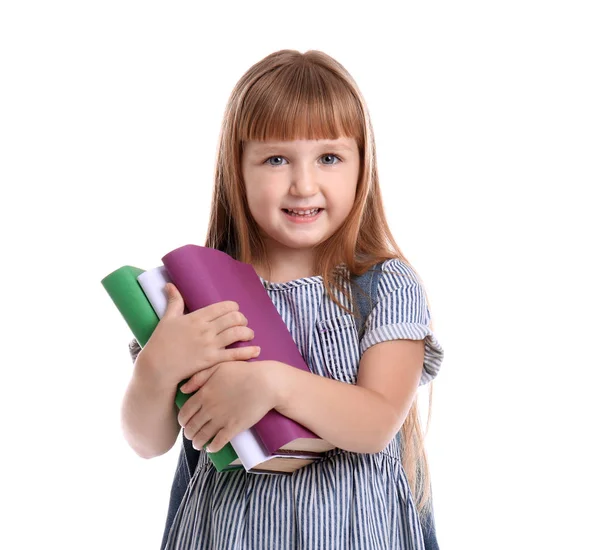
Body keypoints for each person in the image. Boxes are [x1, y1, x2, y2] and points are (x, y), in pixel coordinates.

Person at [121, 49, 445, 550]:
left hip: (354, 533)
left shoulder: (385, 285)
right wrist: (157, 368)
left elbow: (376, 423)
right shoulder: (196, 294)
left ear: (363, 165)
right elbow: (147, 442)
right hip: (225, 533)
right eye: (276, 159)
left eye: (329, 157)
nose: (304, 184)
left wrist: (272, 384)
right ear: (238, 169)